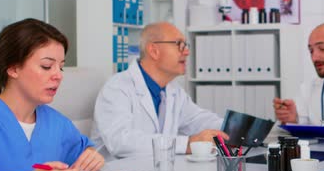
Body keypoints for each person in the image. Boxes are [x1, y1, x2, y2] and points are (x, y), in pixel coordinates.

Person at [0, 18, 104, 171]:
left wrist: (91, 157)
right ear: (13, 69)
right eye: (47, 66)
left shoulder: (57, 123)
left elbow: (83, 151)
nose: (58, 76)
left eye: (61, 67)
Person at [92, 22, 228, 160]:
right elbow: (121, 142)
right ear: (153, 50)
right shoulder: (117, 88)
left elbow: (198, 120)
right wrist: (187, 144)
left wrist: (233, 127)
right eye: (179, 44)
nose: (186, 52)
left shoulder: (174, 91)